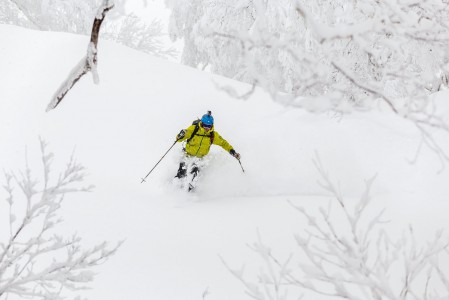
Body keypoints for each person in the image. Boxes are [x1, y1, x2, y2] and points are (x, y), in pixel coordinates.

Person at [174, 111, 241, 191]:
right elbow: (179, 139)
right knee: (181, 172)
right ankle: (176, 189)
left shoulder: (212, 135)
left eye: (209, 126)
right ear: (202, 123)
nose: (206, 128)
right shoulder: (193, 129)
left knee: (195, 172)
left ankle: (189, 190)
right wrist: (180, 135)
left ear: (211, 125)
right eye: (205, 125)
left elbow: (223, 143)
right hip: (187, 154)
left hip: (199, 158)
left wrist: (232, 152)